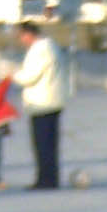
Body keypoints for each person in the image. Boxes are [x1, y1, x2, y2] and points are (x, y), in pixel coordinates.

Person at [13, 21, 67, 189]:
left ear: (28, 34)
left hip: (42, 103)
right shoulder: (52, 47)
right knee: (50, 143)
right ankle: (50, 178)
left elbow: (30, 76)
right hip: (52, 101)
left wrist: (13, 75)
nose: (20, 40)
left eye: (21, 36)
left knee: (43, 144)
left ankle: (46, 179)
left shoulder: (40, 50)